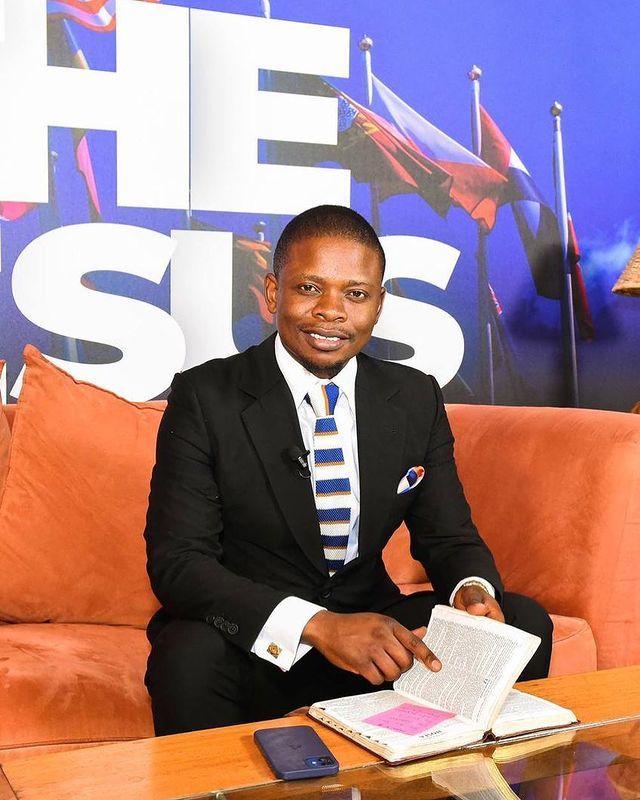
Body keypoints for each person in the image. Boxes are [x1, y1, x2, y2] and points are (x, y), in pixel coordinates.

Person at [144, 204, 552, 735]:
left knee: (522, 621)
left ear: (378, 305)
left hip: (372, 630)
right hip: (258, 639)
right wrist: (319, 626)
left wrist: (471, 593)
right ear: (273, 293)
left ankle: (456, 774)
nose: (331, 311)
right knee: (186, 654)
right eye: (309, 288)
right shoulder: (205, 395)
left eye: (355, 294)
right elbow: (179, 564)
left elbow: (449, 537)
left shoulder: (414, 396)